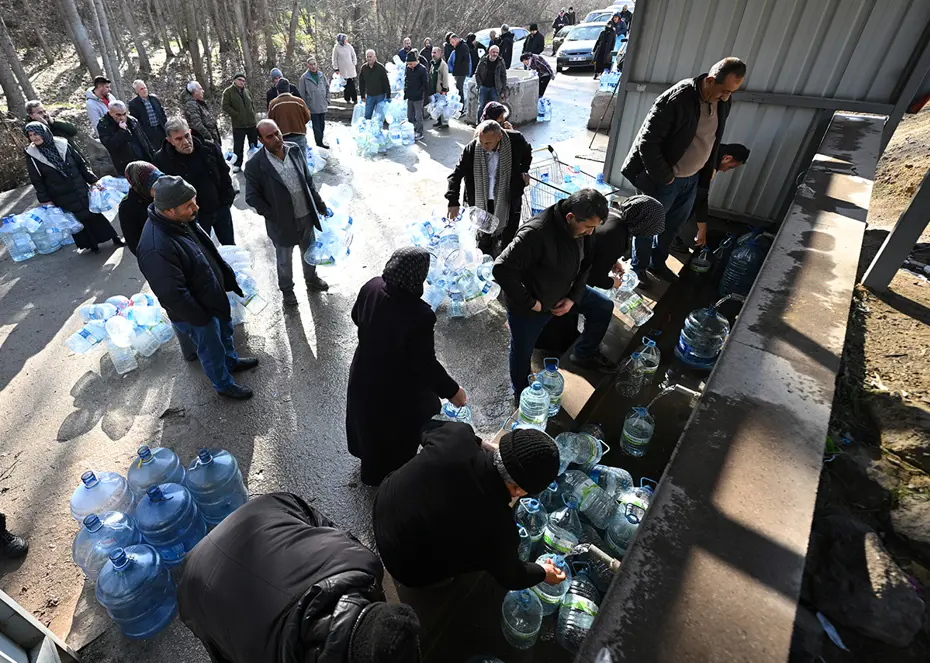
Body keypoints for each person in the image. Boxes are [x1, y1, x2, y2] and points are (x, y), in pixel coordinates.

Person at [178, 492, 422, 663]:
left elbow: (328, 530)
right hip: (194, 585)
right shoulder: (271, 655)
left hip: (269, 507)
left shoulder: (361, 562)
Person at [374, 424, 567, 590]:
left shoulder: (457, 436)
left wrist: (481, 443)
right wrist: (544, 572)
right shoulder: (499, 529)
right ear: (518, 489)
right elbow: (513, 576)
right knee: (474, 562)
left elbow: (428, 427)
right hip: (404, 568)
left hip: (382, 505)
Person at [347, 247, 466, 486]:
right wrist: (453, 391)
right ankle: (391, 484)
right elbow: (425, 364)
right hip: (395, 384)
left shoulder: (371, 286)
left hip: (364, 370)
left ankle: (370, 468)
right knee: (394, 431)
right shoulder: (419, 314)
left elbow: (356, 316)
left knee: (368, 423)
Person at [621, 57, 746, 281]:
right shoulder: (679, 98)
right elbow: (648, 142)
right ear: (710, 81)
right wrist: (665, 177)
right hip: (665, 179)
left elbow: (713, 139)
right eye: (724, 91)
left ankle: (657, 264)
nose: (727, 97)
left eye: (731, 92)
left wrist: (706, 170)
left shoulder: (722, 102)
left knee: (672, 227)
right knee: (648, 225)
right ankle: (638, 269)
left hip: (692, 178)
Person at [136, 176, 257, 400]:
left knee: (225, 333)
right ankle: (223, 385)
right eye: (189, 205)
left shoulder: (181, 220)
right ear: (169, 210)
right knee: (211, 348)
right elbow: (172, 294)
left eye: (194, 201)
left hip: (210, 298)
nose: (196, 208)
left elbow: (206, 251)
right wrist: (202, 319)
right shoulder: (156, 246)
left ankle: (231, 362)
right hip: (196, 312)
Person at [493, 188, 616, 397]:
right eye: (588, 227)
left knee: (603, 307)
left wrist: (573, 297)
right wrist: (530, 303)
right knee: (522, 352)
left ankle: (584, 354)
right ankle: (522, 393)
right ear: (570, 217)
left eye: (594, 228)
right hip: (532, 305)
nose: (590, 233)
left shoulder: (584, 228)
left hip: (565, 291)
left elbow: (586, 264)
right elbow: (501, 269)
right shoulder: (536, 233)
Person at [244, 119, 330, 306]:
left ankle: (311, 279)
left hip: (305, 215)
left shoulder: (294, 150)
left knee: (309, 251)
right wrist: (273, 214)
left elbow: (308, 181)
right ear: (260, 140)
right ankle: (287, 290)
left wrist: (319, 205)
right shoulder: (255, 165)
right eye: (269, 137)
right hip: (281, 223)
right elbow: (251, 197)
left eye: (277, 133)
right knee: (284, 260)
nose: (276, 139)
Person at [24, 121, 123, 253]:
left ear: (44, 133)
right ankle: (93, 246)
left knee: (94, 213)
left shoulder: (62, 144)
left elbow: (81, 164)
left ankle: (114, 238)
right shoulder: (32, 155)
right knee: (77, 220)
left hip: (79, 187)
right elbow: (37, 180)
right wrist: (45, 200)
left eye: (36, 134)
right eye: (30, 135)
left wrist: (93, 181)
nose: (34, 137)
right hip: (60, 194)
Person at [446, 120, 532, 254]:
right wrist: (453, 201)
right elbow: (455, 175)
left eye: (487, 143)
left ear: (499, 137)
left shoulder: (515, 140)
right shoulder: (472, 149)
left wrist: (523, 170)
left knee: (508, 240)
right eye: (481, 141)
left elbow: (527, 153)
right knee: (483, 242)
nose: (483, 146)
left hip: (508, 201)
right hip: (482, 204)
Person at [154, 117, 236, 245]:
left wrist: (227, 200)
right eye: (179, 139)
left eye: (187, 136)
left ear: (190, 132)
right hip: (192, 217)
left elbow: (224, 173)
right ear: (170, 141)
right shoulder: (162, 160)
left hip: (220, 207)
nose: (186, 142)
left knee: (230, 246)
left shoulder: (209, 148)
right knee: (203, 251)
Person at [675, 143, 751, 249]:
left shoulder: (712, 150)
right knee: (685, 207)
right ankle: (668, 238)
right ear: (727, 158)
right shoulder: (709, 164)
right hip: (672, 180)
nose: (725, 171)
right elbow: (700, 197)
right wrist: (702, 229)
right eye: (730, 167)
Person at [586, 195, 666, 289]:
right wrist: (613, 282)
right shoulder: (617, 238)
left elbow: (600, 248)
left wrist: (614, 261)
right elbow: (595, 278)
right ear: (643, 224)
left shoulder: (611, 213)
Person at [119, 161, 164, 255]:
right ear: (141, 184)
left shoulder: (165, 192)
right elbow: (135, 243)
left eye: (160, 179)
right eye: (154, 182)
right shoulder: (127, 207)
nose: (160, 185)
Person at [221, 73, 259, 172]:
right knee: (238, 146)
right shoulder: (228, 92)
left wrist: (253, 114)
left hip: (251, 123)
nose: (242, 82)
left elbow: (252, 104)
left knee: (254, 145)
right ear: (234, 80)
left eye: (243, 80)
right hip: (238, 124)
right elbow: (225, 106)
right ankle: (237, 164)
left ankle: (256, 163)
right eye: (240, 80)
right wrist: (235, 114)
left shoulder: (247, 91)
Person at [269, 77, 312, 153]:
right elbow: (307, 117)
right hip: (299, 134)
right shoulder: (299, 101)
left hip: (283, 136)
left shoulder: (273, 104)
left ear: (277, 90)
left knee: (287, 158)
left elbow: (271, 122)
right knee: (301, 158)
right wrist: (299, 123)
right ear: (288, 89)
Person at [297, 59, 330, 149]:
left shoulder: (321, 75)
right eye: (311, 64)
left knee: (322, 125)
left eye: (314, 64)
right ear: (307, 65)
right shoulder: (304, 78)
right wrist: (305, 107)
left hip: (322, 105)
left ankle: (320, 141)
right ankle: (319, 144)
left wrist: (327, 100)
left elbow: (327, 88)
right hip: (312, 106)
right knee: (316, 127)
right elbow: (302, 94)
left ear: (317, 64)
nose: (313, 66)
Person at [128, 80, 168, 149]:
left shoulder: (154, 99)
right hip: (149, 133)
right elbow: (136, 122)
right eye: (141, 89)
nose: (144, 90)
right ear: (137, 91)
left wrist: (166, 125)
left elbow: (162, 113)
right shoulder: (133, 104)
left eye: (145, 88)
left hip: (161, 129)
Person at [474, 45, 507, 120]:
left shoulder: (501, 61)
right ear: (489, 52)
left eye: (497, 52)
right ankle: (479, 122)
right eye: (493, 52)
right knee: (481, 106)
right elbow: (477, 73)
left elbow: (503, 76)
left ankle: (493, 123)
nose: (495, 54)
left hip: (495, 88)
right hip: (483, 87)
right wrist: (479, 85)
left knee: (495, 107)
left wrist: (503, 90)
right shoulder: (483, 60)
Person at [358, 49, 392, 120]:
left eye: (370, 56)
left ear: (375, 57)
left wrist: (388, 95)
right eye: (367, 57)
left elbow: (386, 82)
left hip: (380, 95)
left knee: (379, 117)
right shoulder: (364, 68)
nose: (369, 58)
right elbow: (361, 83)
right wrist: (362, 95)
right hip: (370, 95)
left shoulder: (380, 68)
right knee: (367, 115)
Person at [403, 51, 427, 140]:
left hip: (418, 97)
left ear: (415, 61)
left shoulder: (422, 69)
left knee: (418, 115)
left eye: (411, 64)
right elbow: (406, 81)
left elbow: (425, 83)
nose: (409, 66)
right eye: (408, 64)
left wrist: (420, 93)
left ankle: (420, 132)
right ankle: (411, 130)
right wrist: (405, 92)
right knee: (409, 116)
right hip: (410, 95)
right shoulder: (408, 69)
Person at [332, 33, 359, 104]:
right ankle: (347, 99)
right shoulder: (336, 48)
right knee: (345, 85)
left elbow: (353, 55)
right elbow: (334, 59)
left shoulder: (349, 46)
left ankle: (354, 99)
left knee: (352, 84)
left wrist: (354, 63)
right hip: (342, 70)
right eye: (344, 39)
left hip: (350, 68)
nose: (346, 41)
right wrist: (336, 68)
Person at [428, 46, 450, 128]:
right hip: (434, 89)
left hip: (441, 90)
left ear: (439, 54)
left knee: (442, 106)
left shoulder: (443, 65)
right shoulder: (433, 63)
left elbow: (445, 78)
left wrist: (444, 89)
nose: (433, 54)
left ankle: (444, 123)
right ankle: (439, 121)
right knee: (437, 106)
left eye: (435, 53)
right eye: (432, 52)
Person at [449, 34, 472, 100]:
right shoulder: (458, 47)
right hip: (458, 71)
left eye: (453, 42)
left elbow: (466, 59)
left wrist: (460, 70)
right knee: (458, 88)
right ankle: (460, 102)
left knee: (459, 88)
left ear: (456, 40)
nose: (452, 44)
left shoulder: (463, 46)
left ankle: (461, 103)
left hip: (462, 71)